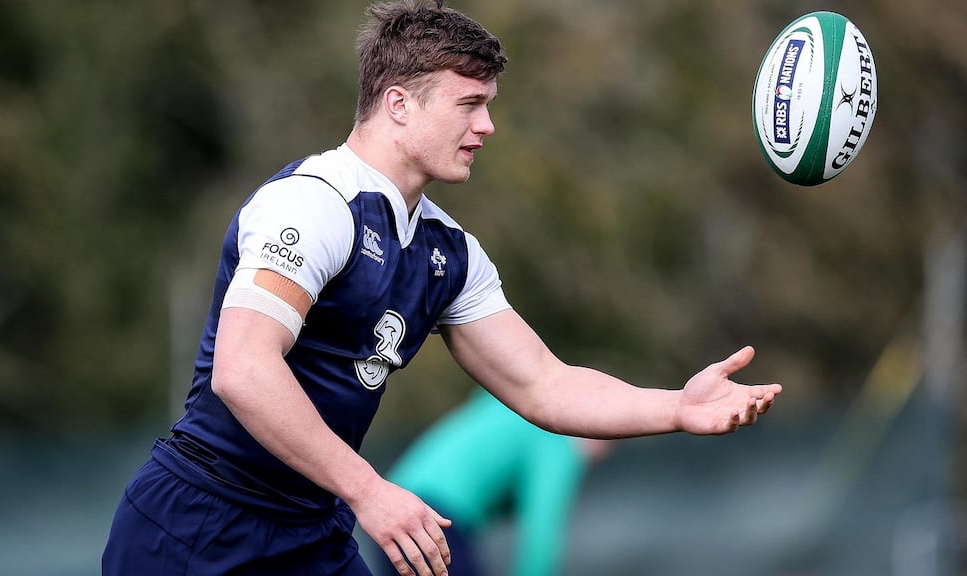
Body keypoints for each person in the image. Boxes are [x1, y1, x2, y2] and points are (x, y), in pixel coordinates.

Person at [102, 1, 782, 575]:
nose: (487, 126)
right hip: (198, 523)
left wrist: (677, 407)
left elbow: (544, 384)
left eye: (488, 105)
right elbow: (244, 370)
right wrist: (369, 491)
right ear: (398, 104)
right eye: (470, 104)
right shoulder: (313, 206)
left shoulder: (448, 253)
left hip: (311, 532)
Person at [374, 389, 616, 576]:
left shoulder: (513, 403)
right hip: (436, 518)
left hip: (393, 505)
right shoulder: (559, 441)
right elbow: (541, 539)